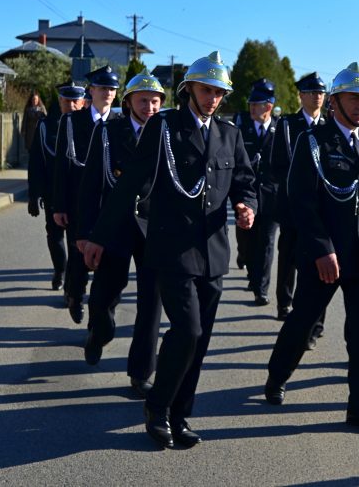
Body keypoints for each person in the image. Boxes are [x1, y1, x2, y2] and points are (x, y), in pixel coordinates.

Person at [83, 51, 257, 449]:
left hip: (213, 252)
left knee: (200, 340)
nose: (213, 99)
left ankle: (180, 415)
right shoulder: (163, 128)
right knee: (187, 330)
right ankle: (158, 407)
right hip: (171, 250)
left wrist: (248, 205)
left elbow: (245, 180)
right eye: (206, 90)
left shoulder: (229, 133)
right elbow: (129, 185)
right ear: (189, 90)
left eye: (219, 93)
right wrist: (98, 235)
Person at [264, 62, 359, 435]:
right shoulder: (314, 141)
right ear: (335, 102)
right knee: (303, 322)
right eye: (354, 98)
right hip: (326, 257)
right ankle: (277, 376)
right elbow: (301, 200)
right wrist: (322, 248)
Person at [76, 73, 166, 399]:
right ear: (128, 102)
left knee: (151, 304)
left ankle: (141, 372)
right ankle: (98, 333)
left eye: (155, 101)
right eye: (143, 100)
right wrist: (85, 232)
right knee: (104, 294)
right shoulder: (108, 132)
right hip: (114, 226)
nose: (149, 107)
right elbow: (91, 184)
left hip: (154, 227)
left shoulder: (167, 134)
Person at [53, 65, 120, 324]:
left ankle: (98, 316)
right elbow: (61, 166)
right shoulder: (72, 121)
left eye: (112, 89)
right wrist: (59, 206)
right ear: (91, 90)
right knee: (78, 257)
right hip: (78, 202)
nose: (108, 93)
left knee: (107, 261)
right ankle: (75, 294)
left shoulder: (119, 123)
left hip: (109, 204)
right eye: (103, 88)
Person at [267, 72, 328, 347]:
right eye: (311, 92)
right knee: (289, 257)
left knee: (319, 264)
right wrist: (298, 185)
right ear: (301, 96)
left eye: (320, 92)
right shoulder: (288, 125)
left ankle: (316, 323)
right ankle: (285, 303)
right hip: (292, 205)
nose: (317, 97)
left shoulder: (328, 125)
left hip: (322, 209)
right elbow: (277, 164)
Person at [27, 82, 84, 290]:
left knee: (76, 238)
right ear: (60, 101)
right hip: (52, 191)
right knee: (54, 234)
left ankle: (73, 279)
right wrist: (33, 195)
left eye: (75, 101)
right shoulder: (46, 126)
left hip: (79, 193)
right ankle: (60, 269)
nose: (71, 105)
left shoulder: (89, 126)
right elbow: (36, 162)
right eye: (66, 101)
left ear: (82, 102)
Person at [235, 78, 279, 306]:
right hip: (247, 196)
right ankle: (250, 271)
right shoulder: (241, 129)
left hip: (271, 198)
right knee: (248, 241)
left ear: (268, 106)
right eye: (251, 104)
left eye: (257, 104)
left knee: (267, 243)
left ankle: (261, 289)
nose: (252, 108)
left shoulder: (280, 129)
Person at [21, 91, 47, 159]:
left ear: (38, 100)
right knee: (30, 150)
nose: (34, 101)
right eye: (33, 99)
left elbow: (46, 119)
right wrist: (23, 130)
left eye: (35, 99)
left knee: (38, 150)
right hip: (30, 133)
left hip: (39, 132)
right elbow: (24, 120)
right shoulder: (28, 109)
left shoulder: (42, 109)